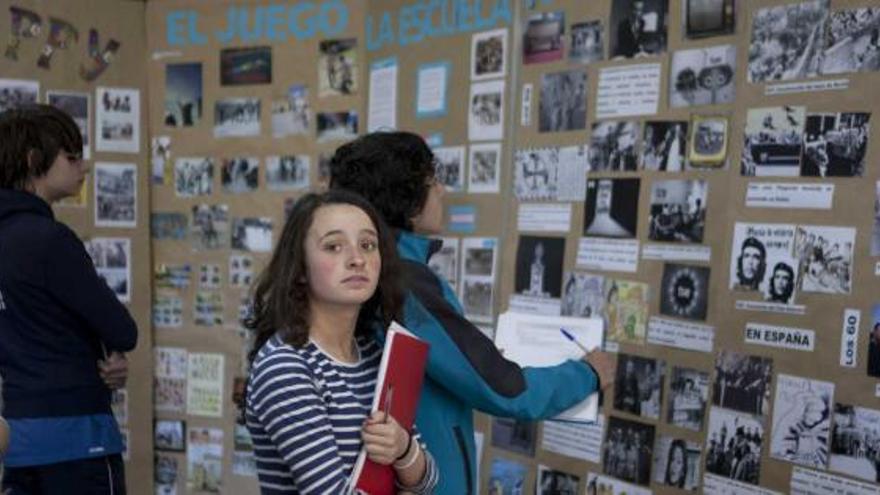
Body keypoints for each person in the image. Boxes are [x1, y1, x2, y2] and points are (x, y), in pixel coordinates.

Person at [329, 131, 616, 494]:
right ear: (407, 199)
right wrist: (587, 374)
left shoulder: (364, 274)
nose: (443, 192)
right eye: (434, 182)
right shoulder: (403, 284)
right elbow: (504, 390)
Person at [244, 190, 438, 493]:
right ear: (300, 269)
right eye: (334, 246)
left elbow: (429, 480)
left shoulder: (375, 354)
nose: (357, 259)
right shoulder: (286, 366)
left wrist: (402, 449)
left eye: (368, 245)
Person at [0, 104, 136, 493]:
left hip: (19, 441)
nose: (84, 167)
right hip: (78, 440)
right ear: (33, 160)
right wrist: (109, 350)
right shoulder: (49, 240)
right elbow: (122, 329)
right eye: (72, 156)